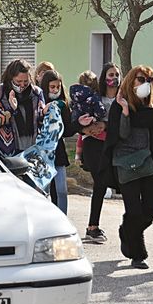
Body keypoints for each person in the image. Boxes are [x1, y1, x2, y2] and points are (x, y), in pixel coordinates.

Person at [101, 65, 153, 269]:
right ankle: (137, 254)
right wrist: (126, 112)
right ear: (131, 81)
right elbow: (121, 134)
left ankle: (126, 231)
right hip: (127, 164)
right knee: (134, 210)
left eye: (149, 80)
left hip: (150, 164)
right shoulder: (121, 105)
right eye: (141, 79)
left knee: (152, 206)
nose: (145, 84)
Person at [76, 62, 121, 244]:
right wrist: (85, 129)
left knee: (107, 185)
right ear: (104, 78)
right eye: (111, 75)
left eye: (117, 74)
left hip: (113, 145)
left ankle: (95, 227)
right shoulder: (95, 98)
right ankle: (92, 227)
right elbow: (78, 121)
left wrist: (105, 125)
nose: (114, 78)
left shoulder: (122, 98)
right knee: (100, 183)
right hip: (94, 145)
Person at [0, 59, 44, 157]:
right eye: (18, 81)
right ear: (10, 78)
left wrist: (45, 112)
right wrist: (11, 109)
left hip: (32, 150)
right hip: (5, 151)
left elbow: (41, 120)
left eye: (26, 81)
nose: (22, 85)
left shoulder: (36, 93)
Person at [40, 70, 75, 214]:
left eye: (57, 87)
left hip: (58, 153)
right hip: (42, 153)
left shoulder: (63, 105)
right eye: (52, 87)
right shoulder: (39, 101)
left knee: (62, 190)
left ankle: (63, 218)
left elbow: (67, 130)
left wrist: (78, 123)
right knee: (43, 191)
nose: (55, 90)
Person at [70, 70, 106, 166]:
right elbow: (101, 111)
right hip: (98, 132)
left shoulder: (75, 97)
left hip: (84, 132)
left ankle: (78, 156)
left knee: (81, 138)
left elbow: (73, 113)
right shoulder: (94, 96)